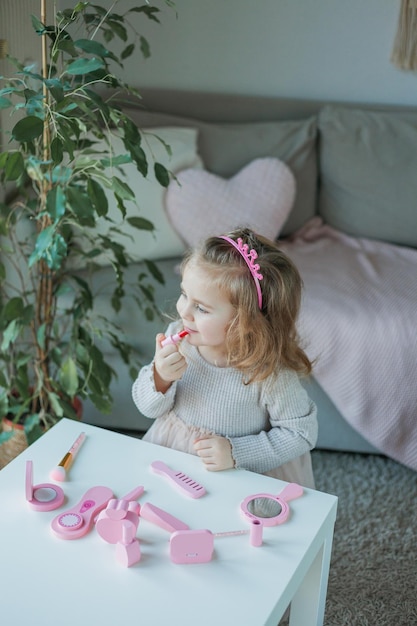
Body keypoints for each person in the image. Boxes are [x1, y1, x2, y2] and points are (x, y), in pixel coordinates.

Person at [132, 227, 318, 488]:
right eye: (184, 294)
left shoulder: (269, 372)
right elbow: (147, 408)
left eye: (201, 308)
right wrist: (160, 377)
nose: (184, 311)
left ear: (246, 321)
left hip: (236, 477)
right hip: (172, 462)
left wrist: (235, 453)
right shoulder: (178, 338)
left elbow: (301, 434)